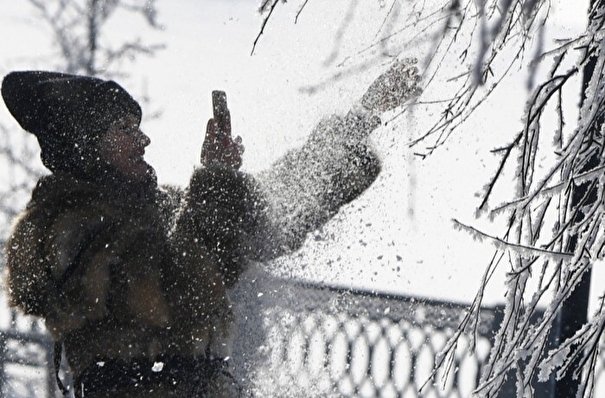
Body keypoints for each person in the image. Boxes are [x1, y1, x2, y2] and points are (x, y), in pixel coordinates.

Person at [1, 62, 419, 397]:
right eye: (124, 129)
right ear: (86, 145)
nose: (144, 139)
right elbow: (177, 291)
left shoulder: (158, 215)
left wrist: (365, 115)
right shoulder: (62, 231)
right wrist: (216, 180)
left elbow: (272, 211)